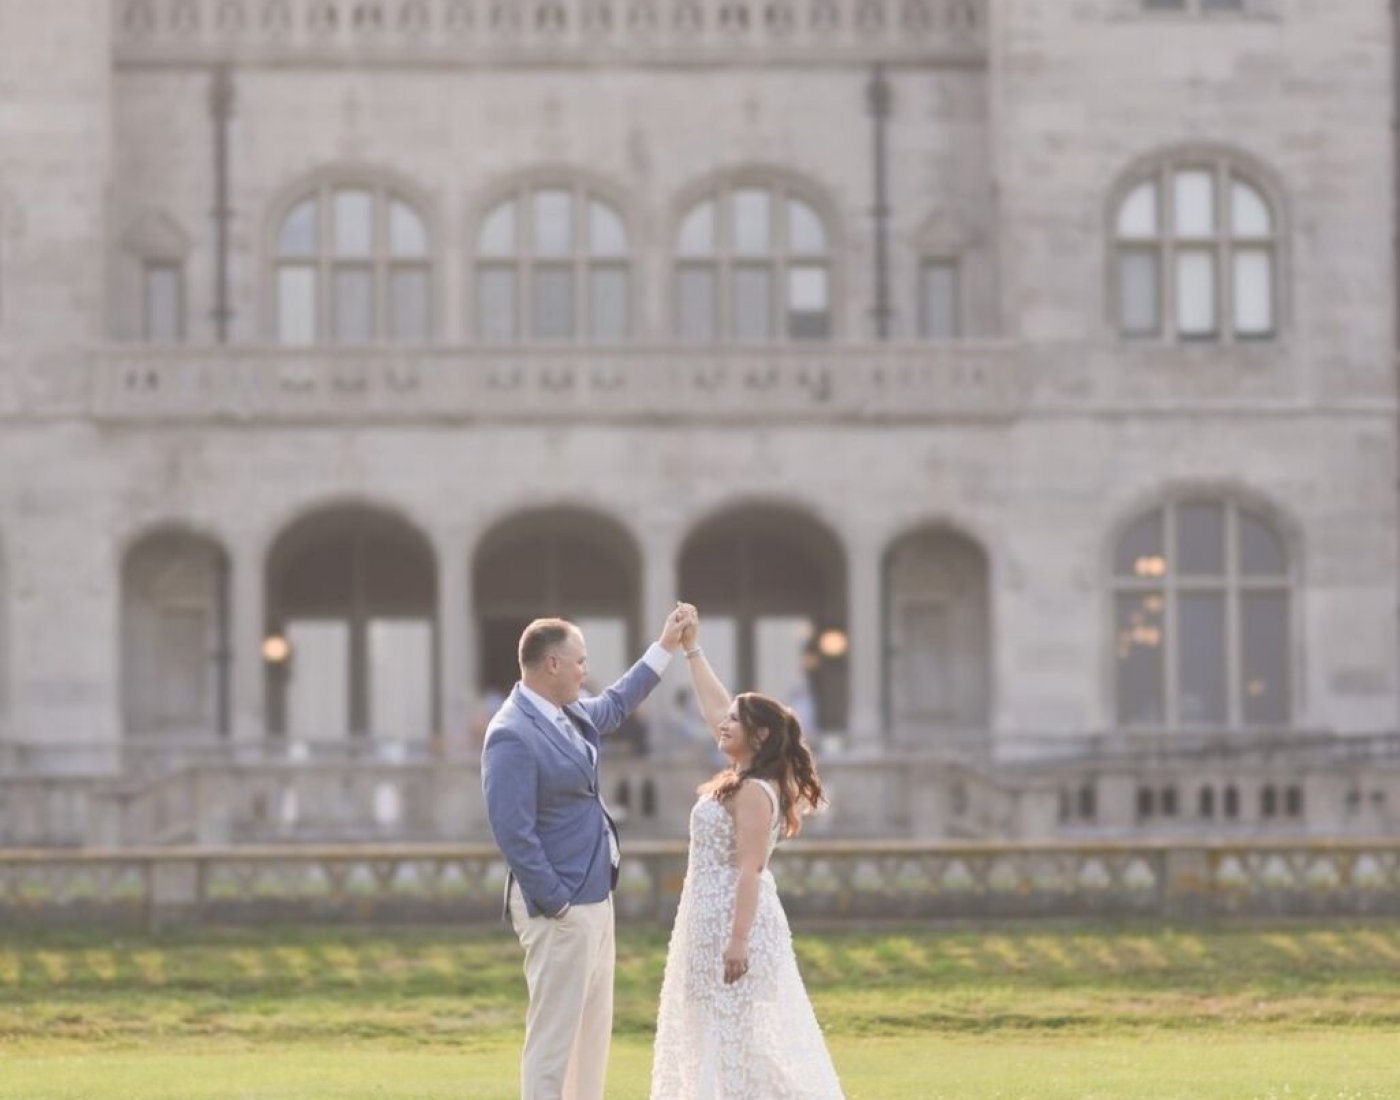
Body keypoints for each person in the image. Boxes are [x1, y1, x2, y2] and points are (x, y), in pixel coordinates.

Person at [483, 607, 694, 1100]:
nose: (585, 669)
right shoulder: (510, 733)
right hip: (559, 908)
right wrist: (555, 901)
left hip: (596, 896)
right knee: (554, 1043)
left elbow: (619, 702)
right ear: (552, 664)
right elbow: (514, 833)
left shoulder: (571, 713)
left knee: (592, 1038)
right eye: (579, 661)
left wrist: (665, 646)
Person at [650, 610, 846, 1099]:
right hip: (702, 915)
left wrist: (738, 940)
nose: (724, 722)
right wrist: (691, 651)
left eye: (736, 720)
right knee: (709, 1031)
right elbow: (716, 707)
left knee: (737, 1033)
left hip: (735, 923)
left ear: (758, 736)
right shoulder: (740, 775)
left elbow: (751, 869)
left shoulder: (757, 791)